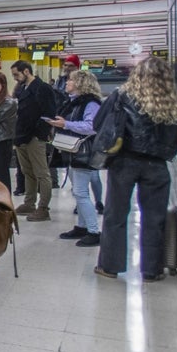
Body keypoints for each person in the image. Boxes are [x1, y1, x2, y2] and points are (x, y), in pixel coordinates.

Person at [95, 56, 177, 282]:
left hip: (125, 161)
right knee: (154, 217)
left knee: (115, 214)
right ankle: (151, 269)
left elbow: (99, 122)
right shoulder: (173, 102)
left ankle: (110, 266)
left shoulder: (122, 95)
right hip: (157, 165)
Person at [46, 69, 104, 247]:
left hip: (84, 153)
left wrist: (66, 124)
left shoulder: (91, 104)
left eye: (71, 80)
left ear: (80, 84)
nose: (67, 83)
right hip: (73, 153)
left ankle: (94, 231)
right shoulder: (73, 103)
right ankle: (82, 226)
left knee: (81, 192)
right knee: (78, 192)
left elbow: (91, 126)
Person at [10, 60, 57, 222]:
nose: (15, 78)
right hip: (22, 136)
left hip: (35, 137)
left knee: (42, 173)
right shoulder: (22, 89)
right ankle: (29, 203)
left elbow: (49, 113)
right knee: (27, 171)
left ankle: (43, 207)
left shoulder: (43, 88)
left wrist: (39, 134)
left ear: (26, 71)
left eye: (16, 74)